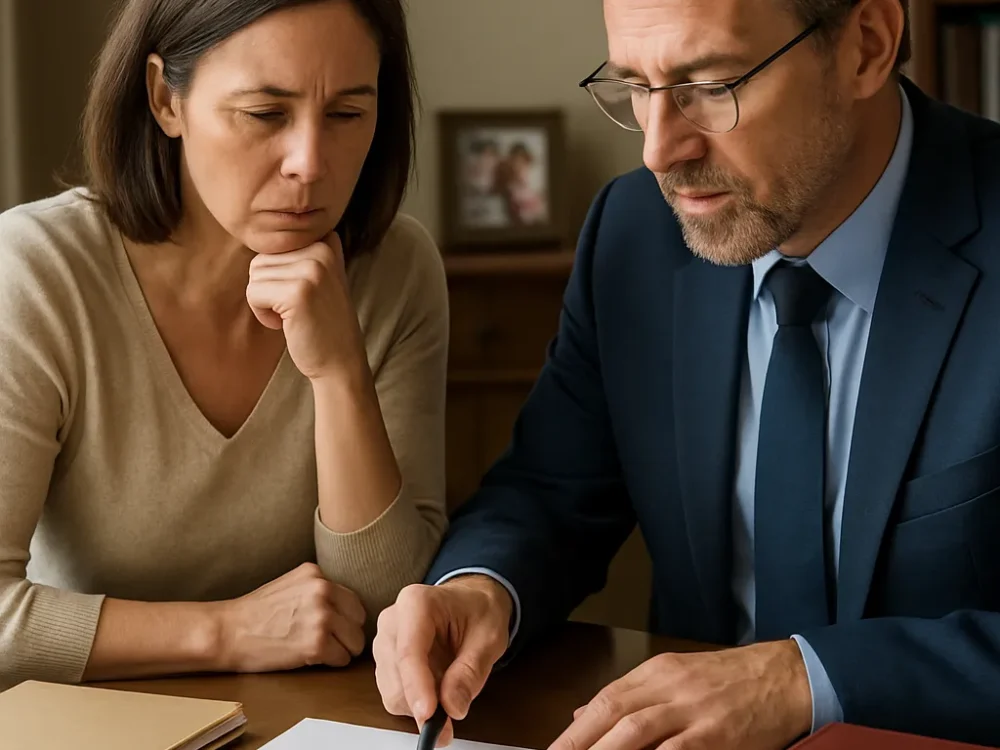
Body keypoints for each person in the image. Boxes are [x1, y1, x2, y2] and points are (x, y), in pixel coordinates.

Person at [373, 0, 1000, 747]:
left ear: (866, 46)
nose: (659, 151)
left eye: (710, 85)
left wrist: (804, 679)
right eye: (635, 85)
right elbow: (549, 491)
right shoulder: (634, 233)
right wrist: (479, 590)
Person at [0, 0, 448, 689]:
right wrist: (228, 632)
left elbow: (391, 607)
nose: (309, 162)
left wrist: (337, 374)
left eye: (348, 114)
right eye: (266, 114)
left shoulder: (397, 271)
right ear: (163, 100)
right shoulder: (35, 272)